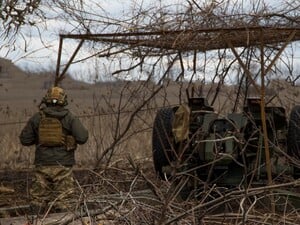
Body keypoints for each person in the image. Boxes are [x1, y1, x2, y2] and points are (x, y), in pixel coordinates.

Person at [19, 86, 88, 213]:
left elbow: (25, 140)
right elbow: (82, 138)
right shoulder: (70, 117)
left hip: (42, 164)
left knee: (37, 200)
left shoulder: (37, 117)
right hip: (63, 165)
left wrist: (40, 137)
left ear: (46, 99)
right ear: (64, 100)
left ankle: (35, 221)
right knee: (64, 200)